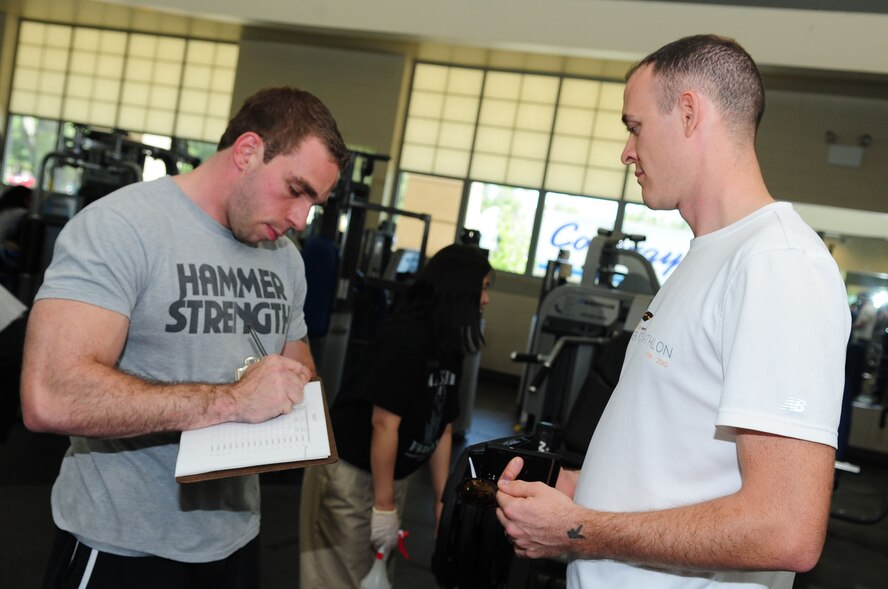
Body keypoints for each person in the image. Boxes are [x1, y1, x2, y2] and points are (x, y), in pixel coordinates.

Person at [495, 34, 850, 589]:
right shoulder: (711, 253)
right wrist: (578, 490)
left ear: (688, 113)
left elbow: (786, 530)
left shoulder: (778, 264)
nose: (627, 151)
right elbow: (678, 458)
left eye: (634, 127)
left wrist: (578, 528)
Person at [20, 86, 350, 588]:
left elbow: (296, 366)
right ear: (247, 152)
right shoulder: (122, 226)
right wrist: (232, 401)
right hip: (122, 544)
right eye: (295, 190)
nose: (300, 219)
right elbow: (50, 395)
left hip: (234, 541)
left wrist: (291, 390)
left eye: (315, 203)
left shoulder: (284, 257)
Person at [299, 243, 492, 589]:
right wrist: (384, 507)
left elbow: (442, 427)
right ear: (461, 287)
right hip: (351, 476)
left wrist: (441, 499)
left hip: (390, 476)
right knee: (338, 578)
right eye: (484, 287)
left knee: (372, 579)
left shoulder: (448, 344)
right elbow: (384, 424)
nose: (486, 299)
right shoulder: (407, 338)